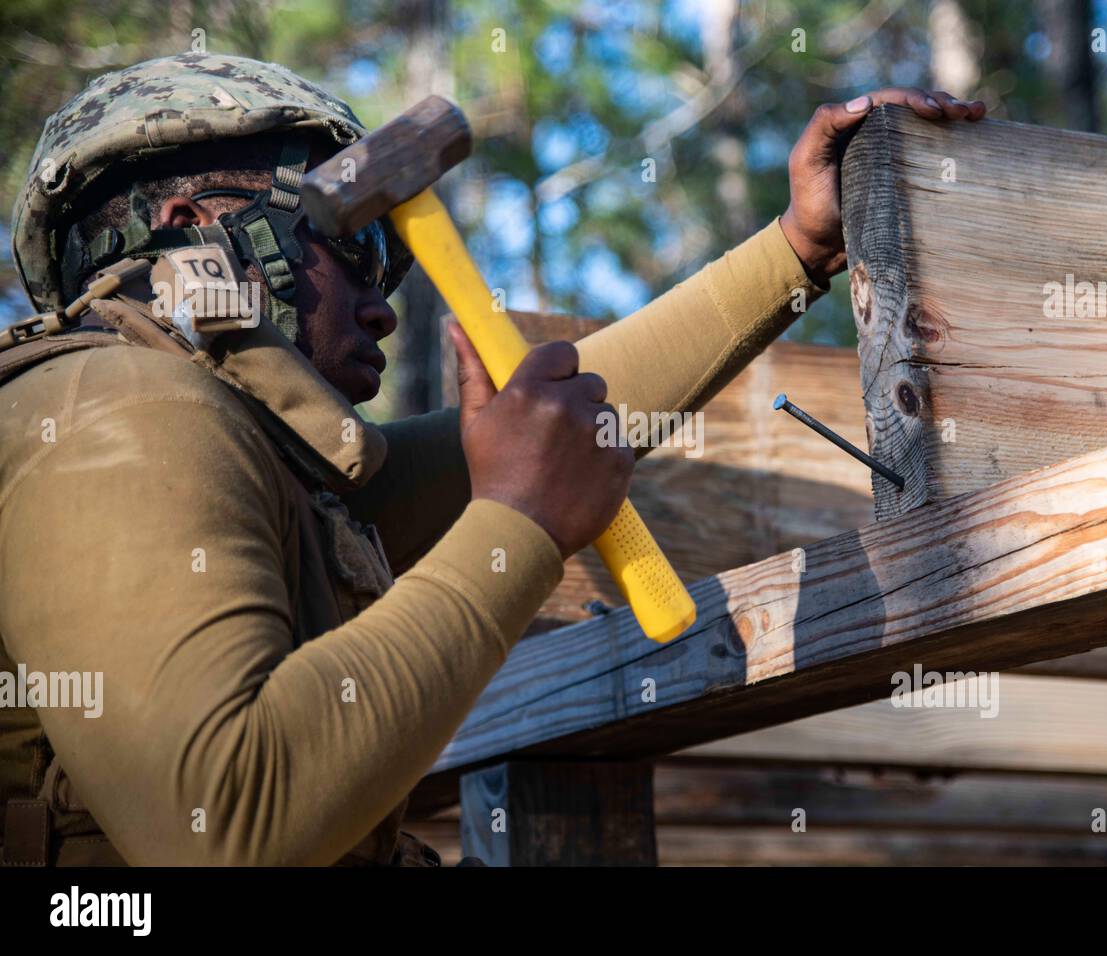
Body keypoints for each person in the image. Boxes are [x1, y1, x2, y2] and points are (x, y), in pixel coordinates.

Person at [0, 52, 984, 866]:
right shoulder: (116, 410)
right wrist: (518, 524)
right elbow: (219, 823)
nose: (386, 298)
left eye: (396, 259)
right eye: (350, 245)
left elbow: (566, 414)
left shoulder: (275, 470)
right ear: (198, 234)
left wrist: (797, 248)